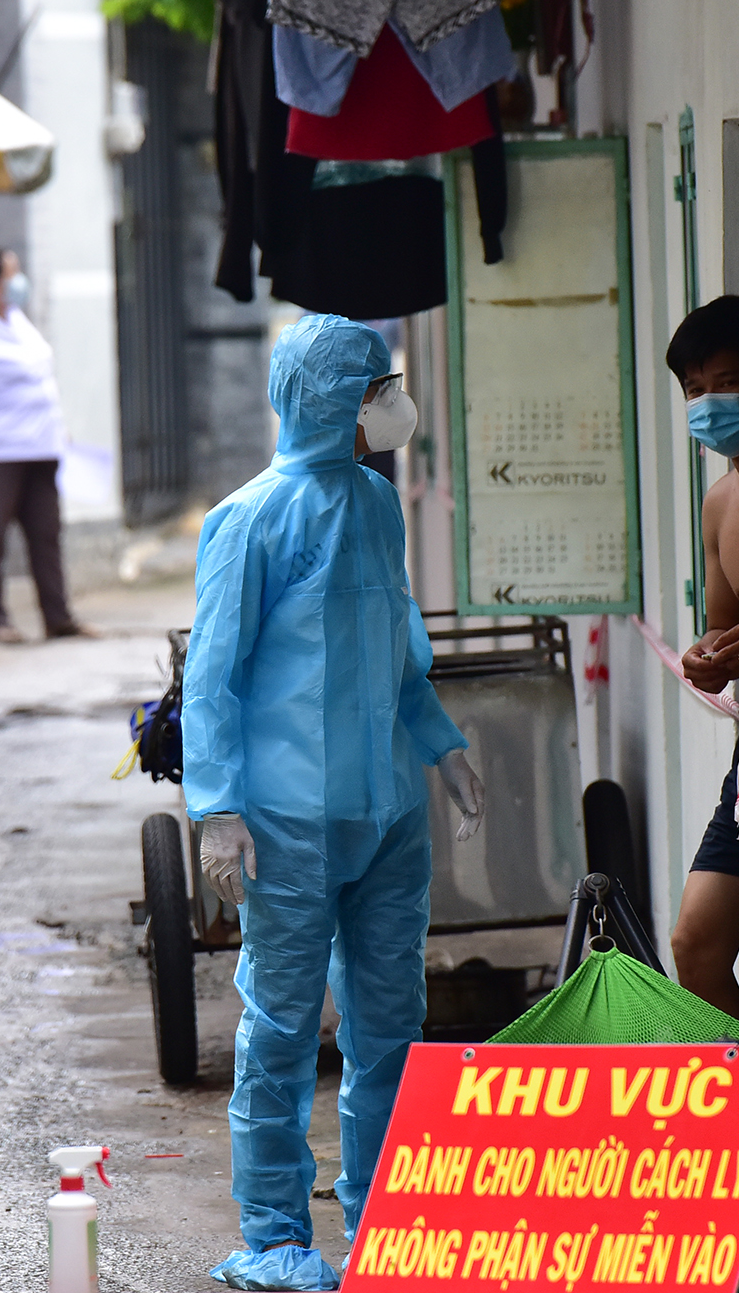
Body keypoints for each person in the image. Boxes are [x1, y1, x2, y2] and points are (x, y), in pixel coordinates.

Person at [182, 313, 486, 1292]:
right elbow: (213, 678)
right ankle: (275, 1234)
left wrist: (440, 746)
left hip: (388, 811)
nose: (389, 406)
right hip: (285, 822)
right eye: (375, 390)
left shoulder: (377, 502)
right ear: (331, 400)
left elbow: (396, 650)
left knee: (392, 1024)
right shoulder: (249, 520)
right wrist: (218, 808)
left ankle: (387, 1223)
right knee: (279, 1029)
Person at [665, 296, 739, 1025]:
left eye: (728, 382)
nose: (710, 404)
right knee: (695, 946)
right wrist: (708, 657)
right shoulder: (718, 502)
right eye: (696, 390)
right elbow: (722, 634)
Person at [0, 247, 96, 644]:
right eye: (12, 275)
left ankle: (58, 617)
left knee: (46, 533)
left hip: (41, 447)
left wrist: (60, 430)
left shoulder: (19, 322)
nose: (19, 281)